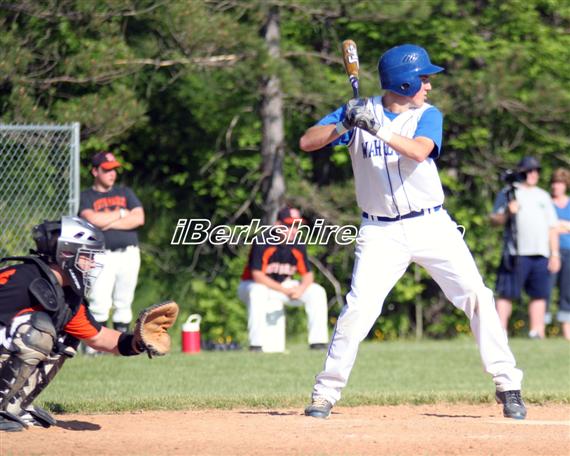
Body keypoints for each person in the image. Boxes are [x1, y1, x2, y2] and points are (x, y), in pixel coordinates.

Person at [299, 44, 526, 420]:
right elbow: (307, 142)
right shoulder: (360, 110)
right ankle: (325, 393)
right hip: (379, 232)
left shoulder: (427, 115)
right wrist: (344, 124)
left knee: (477, 296)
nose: (429, 85)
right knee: (358, 309)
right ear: (403, 83)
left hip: (431, 224)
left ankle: (508, 385)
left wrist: (376, 127)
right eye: (423, 79)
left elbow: (419, 151)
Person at [0, 217, 159, 432]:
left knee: (66, 337)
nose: (92, 263)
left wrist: (138, 342)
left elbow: (98, 337)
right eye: (87, 256)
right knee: (36, 332)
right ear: (66, 254)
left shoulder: (67, 296)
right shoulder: (22, 279)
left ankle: (13, 405)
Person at [238, 207, 329, 352]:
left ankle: (318, 342)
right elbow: (257, 275)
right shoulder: (263, 241)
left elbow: (308, 275)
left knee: (316, 291)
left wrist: (300, 289)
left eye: (296, 226)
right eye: (289, 225)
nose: (293, 230)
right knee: (258, 291)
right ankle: (256, 345)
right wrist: (285, 290)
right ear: (278, 225)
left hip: (282, 287)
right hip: (252, 286)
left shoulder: (298, 244)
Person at [490, 157, 560, 339]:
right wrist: (508, 211)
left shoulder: (543, 196)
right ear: (521, 172)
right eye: (529, 171)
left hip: (540, 253)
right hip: (515, 253)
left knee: (539, 294)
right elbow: (494, 220)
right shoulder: (508, 192)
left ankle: (536, 331)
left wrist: (554, 254)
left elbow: (552, 228)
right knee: (506, 293)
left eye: (536, 170)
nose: (533, 174)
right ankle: (500, 331)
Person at [79, 151, 145, 335]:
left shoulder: (125, 192)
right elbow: (92, 219)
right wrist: (122, 213)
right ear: (95, 171)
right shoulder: (86, 196)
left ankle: (120, 343)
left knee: (124, 302)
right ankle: (95, 345)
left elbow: (139, 218)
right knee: (99, 302)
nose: (112, 174)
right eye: (107, 170)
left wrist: (106, 223)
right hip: (100, 255)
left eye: (114, 169)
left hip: (129, 254)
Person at [549, 168, 570, 340]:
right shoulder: (547, 203)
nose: (557, 186)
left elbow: (553, 226)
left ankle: (567, 332)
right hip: (550, 252)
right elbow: (546, 227)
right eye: (555, 183)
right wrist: (565, 226)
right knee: (545, 291)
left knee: (567, 292)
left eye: (560, 183)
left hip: (568, 251)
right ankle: (540, 330)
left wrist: (557, 226)